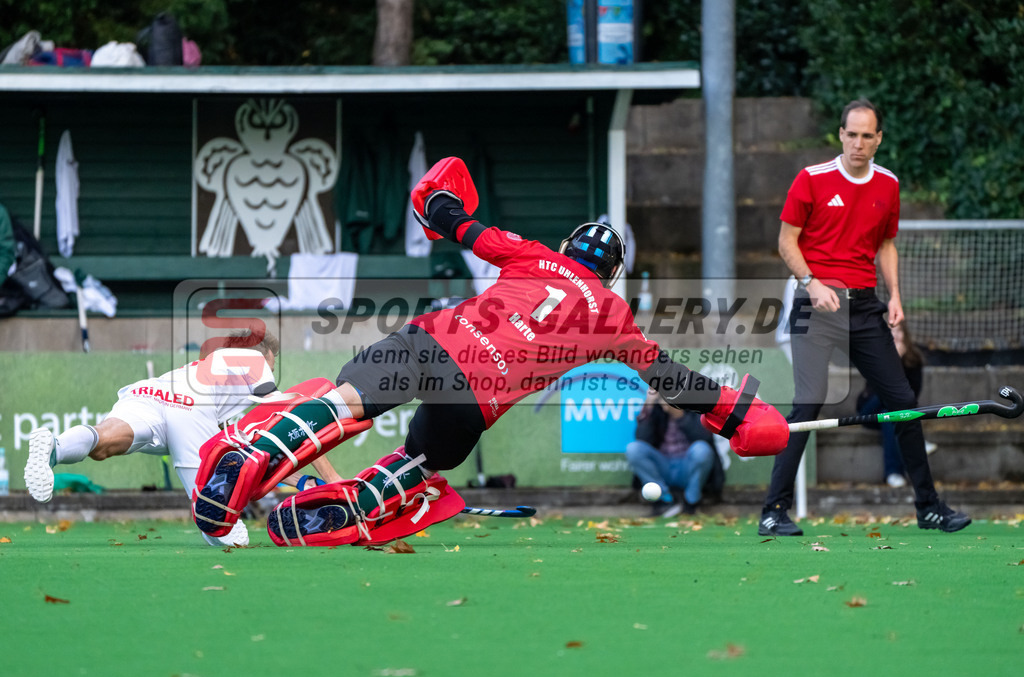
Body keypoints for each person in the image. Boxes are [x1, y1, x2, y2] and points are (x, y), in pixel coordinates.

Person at [192, 157, 791, 547]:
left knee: (348, 403)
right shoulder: (612, 315)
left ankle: (256, 453)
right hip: (476, 402)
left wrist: (439, 202)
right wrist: (735, 413)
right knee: (426, 462)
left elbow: (456, 222)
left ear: (567, 247)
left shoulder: (531, 253)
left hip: (433, 344)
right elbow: (672, 378)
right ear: (611, 275)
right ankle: (369, 501)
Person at [759, 98, 969, 536]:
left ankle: (929, 508)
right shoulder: (811, 180)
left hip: (865, 307)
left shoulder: (888, 185)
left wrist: (895, 295)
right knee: (809, 402)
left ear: (878, 139)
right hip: (812, 307)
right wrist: (812, 283)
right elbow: (786, 242)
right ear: (840, 135)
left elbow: (886, 245)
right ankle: (773, 510)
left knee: (903, 406)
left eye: (866, 136)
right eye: (850, 134)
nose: (857, 143)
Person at [24, 331, 341, 546]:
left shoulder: (213, 375)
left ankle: (56, 448)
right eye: (275, 358)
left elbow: (255, 453)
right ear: (266, 354)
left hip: (149, 392)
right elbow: (289, 419)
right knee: (219, 524)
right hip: (189, 408)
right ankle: (220, 530)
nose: (274, 365)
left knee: (103, 442)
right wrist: (333, 475)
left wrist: (301, 483)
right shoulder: (257, 364)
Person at [856, 320, 936, 488]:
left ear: (904, 334)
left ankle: (893, 473)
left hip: (893, 412)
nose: (895, 336)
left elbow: (911, 395)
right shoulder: (875, 356)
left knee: (891, 417)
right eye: (891, 331)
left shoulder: (914, 360)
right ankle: (916, 442)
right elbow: (875, 391)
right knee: (890, 404)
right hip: (869, 409)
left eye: (898, 331)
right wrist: (892, 364)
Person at [626, 390, 720, 517]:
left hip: (687, 467)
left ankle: (691, 502)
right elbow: (642, 439)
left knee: (702, 449)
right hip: (663, 466)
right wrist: (649, 404)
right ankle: (664, 500)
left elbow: (705, 438)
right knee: (634, 449)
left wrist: (679, 415)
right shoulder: (656, 408)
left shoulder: (696, 404)